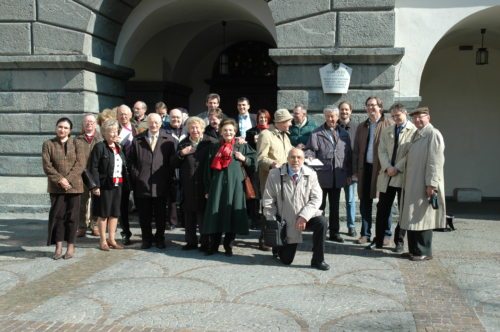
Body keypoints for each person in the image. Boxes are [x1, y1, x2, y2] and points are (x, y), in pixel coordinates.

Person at [262, 148, 330, 271]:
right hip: (285, 222)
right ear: (287, 159)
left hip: (305, 217)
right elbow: (268, 201)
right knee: (286, 260)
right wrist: (273, 223)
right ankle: (278, 247)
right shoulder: (274, 174)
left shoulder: (311, 174)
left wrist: (304, 216)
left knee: (322, 222)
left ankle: (318, 260)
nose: (296, 160)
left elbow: (316, 198)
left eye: (299, 157)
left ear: (303, 160)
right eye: (292, 157)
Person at [202, 118, 256, 256]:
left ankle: (228, 245)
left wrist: (244, 159)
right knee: (216, 213)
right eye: (225, 130)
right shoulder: (214, 147)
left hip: (235, 186)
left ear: (235, 131)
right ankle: (213, 245)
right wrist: (207, 189)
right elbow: (207, 170)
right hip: (217, 186)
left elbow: (254, 163)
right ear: (220, 131)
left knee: (232, 213)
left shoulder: (242, 146)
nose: (228, 132)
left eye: (231, 130)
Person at [368, 103, 416, 251]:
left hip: (402, 175)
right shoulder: (387, 130)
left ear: (405, 113)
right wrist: (387, 166)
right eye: (393, 116)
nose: (396, 118)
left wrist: (397, 167)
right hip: (387, 174)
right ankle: (379, 240)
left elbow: (411, 153)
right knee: (382, 208)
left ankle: (399, 241)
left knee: (403, 210)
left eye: (398, 115)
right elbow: (381, 150)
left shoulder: (414, 131)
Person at [400, 107, 446, 261]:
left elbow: (435, 162)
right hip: (413, 182)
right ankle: (414, 250)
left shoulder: (433, 134)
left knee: (423, 217)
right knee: (413, 216)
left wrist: (431, 185)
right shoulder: (417, 134)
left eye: (421, 117)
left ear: (428, 117)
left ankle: (424, 251)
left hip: (424, 183)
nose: (418, 120)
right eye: (415, 118)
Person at [305, 107, 352, 243]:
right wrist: (318, 167)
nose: (331, 119)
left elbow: (348, 155)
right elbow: (309, 153)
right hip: (321, 177)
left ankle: (334, 233)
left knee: (335, 207)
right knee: (320, 206)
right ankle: (320, 232)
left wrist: (349, 173)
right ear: (325, 117)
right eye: (329, 116)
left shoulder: (344, 133)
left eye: (334, 116)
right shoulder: (316, 133)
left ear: (338, 117)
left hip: (338, 176)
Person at [129, 113, 175, 249]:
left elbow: (172, 163)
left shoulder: (169, 140)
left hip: (161, 183)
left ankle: (160, 238)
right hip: (142, 183)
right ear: (147, 123)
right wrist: (137, 175)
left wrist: (167, 177)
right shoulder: (138, 139)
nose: (153, 125)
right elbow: (131, 162)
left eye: (156, 122)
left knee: (161, 215)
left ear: (161, 123)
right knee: (144, 215)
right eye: (151, 122)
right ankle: (146, 239)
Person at [42, 117, 85, 260]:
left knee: (72, 218)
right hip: (56, 187)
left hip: (75, 187)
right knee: (58, 217)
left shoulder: (77, 143)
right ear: (56, 128)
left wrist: (68, 179)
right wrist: (60, 180)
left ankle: (71, 246)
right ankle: (58, 246)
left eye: (66, 128)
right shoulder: (48, 144)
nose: (62, 130)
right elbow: (47, 166)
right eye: (60, 127)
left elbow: (80, 164)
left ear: (70, 130)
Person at [172, 117, 217, 251]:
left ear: (202, 128)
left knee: (203, 214)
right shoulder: (183, 144)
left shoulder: (210, 142)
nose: (195, 130)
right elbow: (173, 163)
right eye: (192, 128)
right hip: (188, 184)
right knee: (189, 214)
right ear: (188, 129)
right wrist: (181, 153)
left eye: (197, 127)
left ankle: (205, 242)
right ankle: (191, 241)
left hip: (204, 184)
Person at [352, 96, 392, 244]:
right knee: (364, 202)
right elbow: (356, 150)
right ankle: (365, 233)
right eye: (368, 105)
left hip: (382, 170)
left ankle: (386, 234)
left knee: (384, 203)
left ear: (380, 107)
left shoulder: (389, 124)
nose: (371, 108)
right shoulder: (362, 126)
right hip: (365, 169)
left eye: (373, 105)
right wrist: (355, 170)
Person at [256, 108, 294, 250]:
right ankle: (265, 240)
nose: (290, 124)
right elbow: (260, 158)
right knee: (268, 210)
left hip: (284, 180)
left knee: (280, 211)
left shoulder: (285, 136)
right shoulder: (266, 135)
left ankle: (276, 238)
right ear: (281, 121)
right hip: (270, 181)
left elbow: (289, 153)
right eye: (288, 121)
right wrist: (273, 164)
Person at [88, 119, 127, 251]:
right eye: (110, 131)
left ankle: (112, 239)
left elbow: (123, 164)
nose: (113, 134)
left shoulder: (118, 147)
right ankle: (103, 241)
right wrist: (95, 186)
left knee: (115, 213)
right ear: (104, 133)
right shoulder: (99, 147)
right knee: (103, 214)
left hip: (118, 184)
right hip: (104, 186)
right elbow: (92, 168)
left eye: (115, 131)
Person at [75, 114, 102, 238]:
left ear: (95, 124)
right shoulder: (77, 139)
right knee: (82, 201)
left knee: (96, 200)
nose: (89, 123)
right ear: (83, 124)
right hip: (81, 174)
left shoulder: (101, 138)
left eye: (91, 121)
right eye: (86, 122)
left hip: (96, 174)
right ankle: (81, 226)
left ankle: (95, 225)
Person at [245, 109, 272, 229]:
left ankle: (267, 218)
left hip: (267, 165)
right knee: (255, 193)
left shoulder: (272, 131)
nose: (263, 120)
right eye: (261, 118)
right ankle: (255, 219)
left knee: (267, 192)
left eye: (265, 118)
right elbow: (248, 148)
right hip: (255, 166)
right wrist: (253, 141)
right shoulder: (250, 132)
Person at [163, 108, 188, 229]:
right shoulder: (164, 131)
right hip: (169, 166)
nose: (176, 119)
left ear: (182, 118)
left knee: (185, 194)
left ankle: (184, 220)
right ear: (169, 118)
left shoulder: (187, 130)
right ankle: (172, 222)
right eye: (173, 117)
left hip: (184, 167)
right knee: (171, 196)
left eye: (178, 117)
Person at [337, 101, 358, 237]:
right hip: (336, 170)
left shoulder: (357, 127)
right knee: (334, 200)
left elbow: (357, 151)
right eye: (342, 110)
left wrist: (354, 172)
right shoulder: (333, 126)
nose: (344, 112)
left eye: (346, 110)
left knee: (350, 200)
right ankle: (334, 226)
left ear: (350, 111)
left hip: (350, 171)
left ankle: (351, 226)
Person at [116, 104, 136, 245]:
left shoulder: (138, 129)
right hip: (121, 172)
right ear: (117, 116)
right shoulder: (114, 130)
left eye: (125, 114)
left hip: (137, 172)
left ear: (130, 115)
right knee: (123, 204)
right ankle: (125, 233)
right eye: (120, 114)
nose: (123, 116)